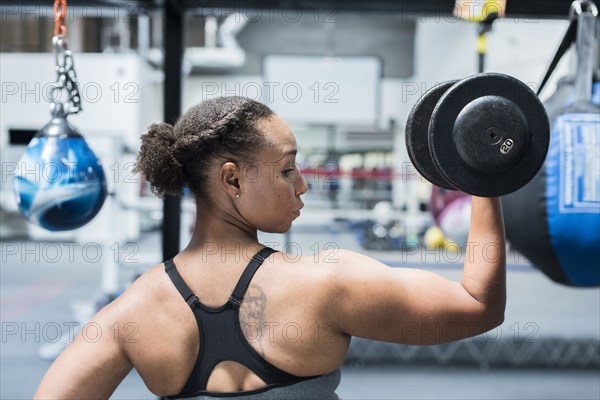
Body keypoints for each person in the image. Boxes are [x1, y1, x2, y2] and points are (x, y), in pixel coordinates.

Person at [35, 96, 506, 399]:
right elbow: (478, 305)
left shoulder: (130, 312)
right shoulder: (326, 283)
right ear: (232, 178)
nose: (302, 186)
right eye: (287, 170)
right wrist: (485, 174)